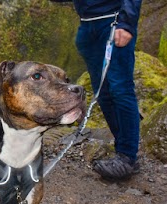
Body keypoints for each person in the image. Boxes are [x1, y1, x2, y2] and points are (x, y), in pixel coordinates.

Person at [53, 0, 142, 181]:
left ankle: (127, 156)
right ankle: (124, 150)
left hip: (113, 22)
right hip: (87, 25)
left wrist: (126, 23)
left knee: (120, 89)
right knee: (103, 94)